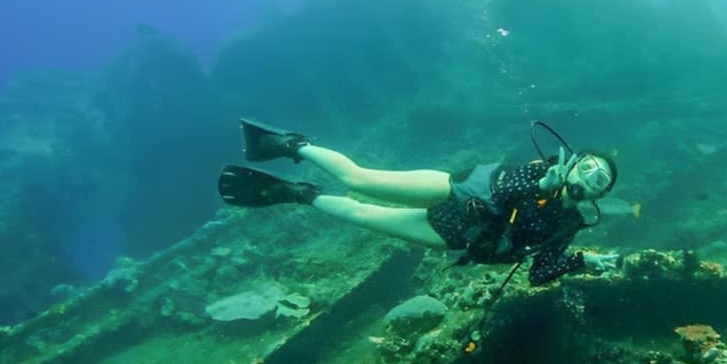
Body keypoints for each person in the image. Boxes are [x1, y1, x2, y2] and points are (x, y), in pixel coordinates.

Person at [217, 119, 619, 285]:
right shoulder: (539, 170)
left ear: (600, 194)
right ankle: (290, 144)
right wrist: (543, 185)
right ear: (574, 162)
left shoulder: (569, 226)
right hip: (451, 193)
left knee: (361, 214)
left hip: (453, 235)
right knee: (360, 180)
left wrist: (581, 261)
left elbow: (538, 274)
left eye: (598, 180)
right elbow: (499, 192)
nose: (588, 178)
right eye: (588, 167)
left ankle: (297, 194)